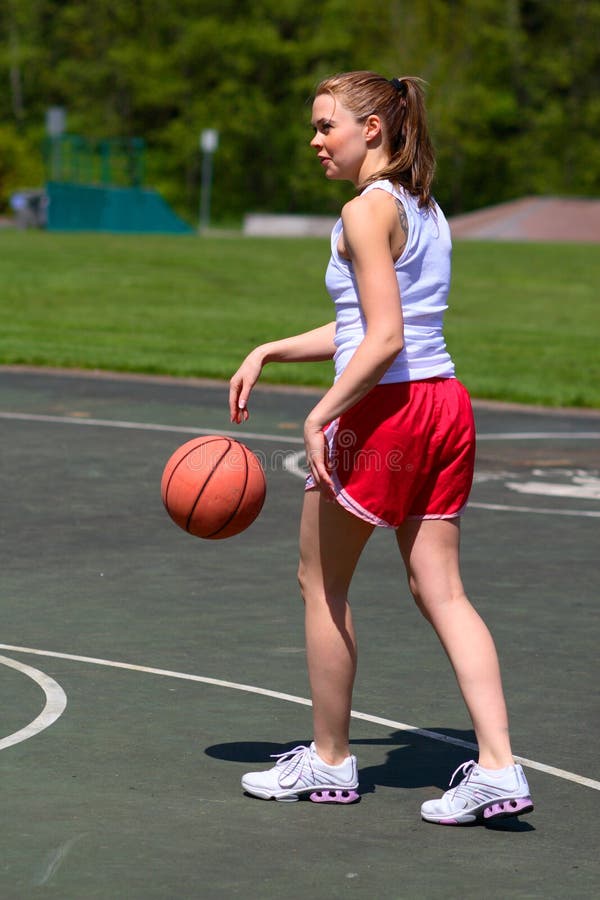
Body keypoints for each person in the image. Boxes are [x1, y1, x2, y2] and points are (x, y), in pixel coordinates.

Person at [228, 71, 534, 825]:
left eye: (326, 125)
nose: (315, 140)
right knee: (443, 590)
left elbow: (383, 338)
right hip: (444, 405)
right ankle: (499, 765)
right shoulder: (423, 207)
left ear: (372, 128)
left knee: (321, 583)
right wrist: (271, 348)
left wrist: (321, 413)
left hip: (387, 411)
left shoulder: (364, 210)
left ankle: (329, 759)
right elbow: (372, 322)